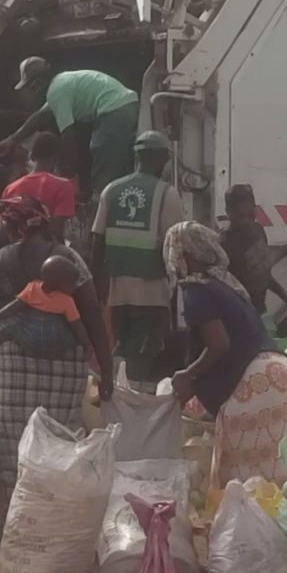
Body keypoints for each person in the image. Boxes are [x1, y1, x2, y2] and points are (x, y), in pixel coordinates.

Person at [0, 195, 114, 484]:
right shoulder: (68, 259)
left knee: (16, 434)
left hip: (17, 362)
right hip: (66, 364)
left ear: (10, 226)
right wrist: (106, 370)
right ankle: (60, 492)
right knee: (61, 432)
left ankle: (17, 494)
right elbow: (92, 313)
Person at [162, 221, 287, 487]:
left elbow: (219, 344)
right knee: (276, 480)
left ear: (186, 254)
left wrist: (189, 374)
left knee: (240, 485)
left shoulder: (196, 289)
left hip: (256, 385)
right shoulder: (226, 282)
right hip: (283, 376)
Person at [90, 132, 186, 385]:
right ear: (163, 159)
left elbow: (97, 240)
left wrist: (98, 283)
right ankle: (131, 397)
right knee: (144, 351)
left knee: (123, 346)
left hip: (117, 291)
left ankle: (117, 389)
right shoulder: (166, 193)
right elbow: (175, 244)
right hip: (151, 291)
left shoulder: (111, 190)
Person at [0, 56, 141, 201]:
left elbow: (68, 136)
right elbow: (39, 117)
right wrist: (12, 140)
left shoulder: (57, 91)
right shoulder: (60, 84)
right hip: (124, 105)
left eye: (29, 87)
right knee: (116, 158)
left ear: (37, 83)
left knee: (103, 153)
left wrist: (71, 175)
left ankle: (99, 202)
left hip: (115, 110)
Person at [0, 254, 94, 355]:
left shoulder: (32, 288)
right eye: (72, 284)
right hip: (54, 343)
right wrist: (86, 344)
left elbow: (12, 308)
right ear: (58, 283)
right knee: (72, 335)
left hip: (30, 339)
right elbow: (77, 324)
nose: (75, 288)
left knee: (8, 324)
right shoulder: (67, 300)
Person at [3, 133, 77, 242]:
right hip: (46, 248)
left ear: (32, 156)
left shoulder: (10, 188)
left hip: (15, 249)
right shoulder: (64, 186)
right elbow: (56, 230)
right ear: (56, 158)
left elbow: (4, 230)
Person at [223, 183, 275, 314]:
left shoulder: (258, 231)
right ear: (228, 212)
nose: (247, 221)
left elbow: (264, 274)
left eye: (251, 216)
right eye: (241, 216)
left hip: (260, 309)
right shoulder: (224, 243)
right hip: (238, 313)